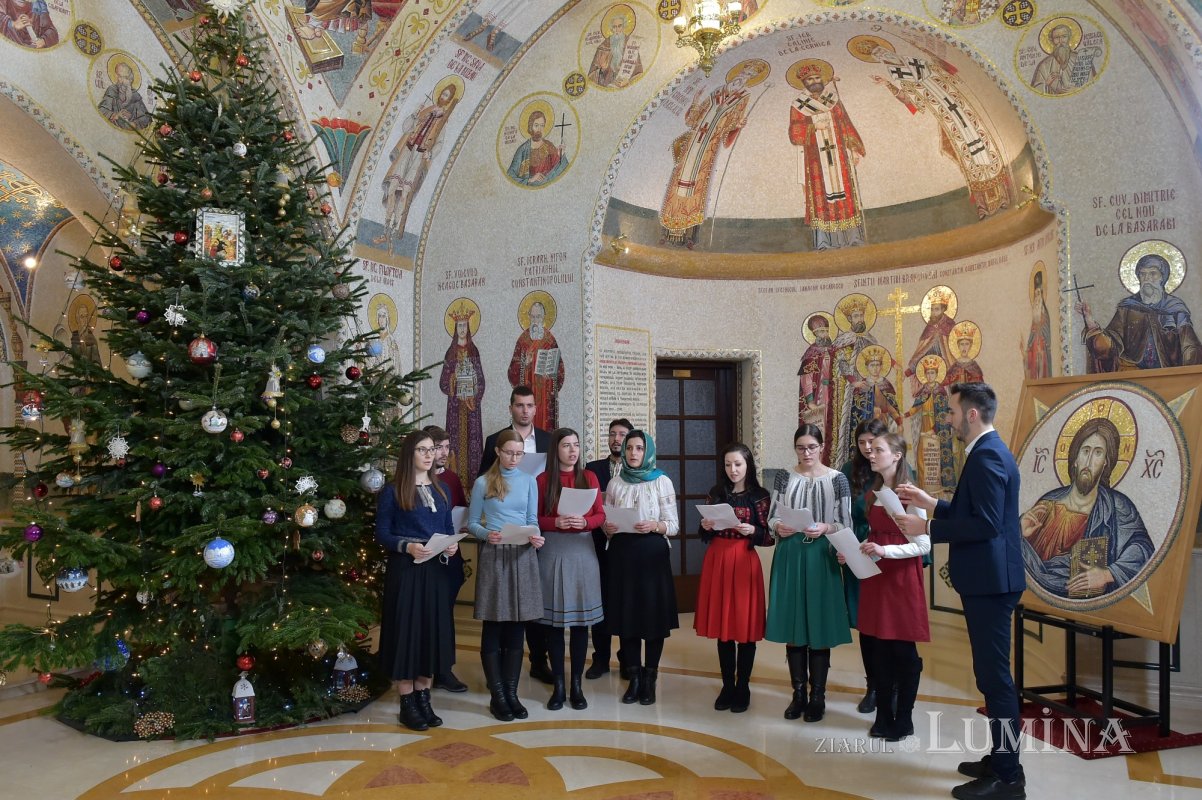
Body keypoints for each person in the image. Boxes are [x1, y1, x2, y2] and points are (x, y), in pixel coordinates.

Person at [896, 383, 1026, 800]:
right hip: (988, 580)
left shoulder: (987, 457)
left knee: (996, 680)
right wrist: (930, 503)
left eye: (951, 411)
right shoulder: (989, 452)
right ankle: (1000, 758)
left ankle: (1008, 777)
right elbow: (975, 514)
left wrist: (928, 528)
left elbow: (985, 526)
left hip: (991, 584)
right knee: (990, 677)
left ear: (971, 414)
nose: (947, 419)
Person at [374, 431, 461, 731]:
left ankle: (425, 698)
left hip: (436, 572)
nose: (429, 454)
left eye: (432, 449)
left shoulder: (442, 490)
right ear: (409, 454)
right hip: (407, 571)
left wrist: (452, 544)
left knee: (431, 633)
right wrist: (407, 546)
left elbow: (448, 527)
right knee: (407, 633)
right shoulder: (393, 490)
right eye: (422, 450)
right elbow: (382, 533)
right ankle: (407, 703)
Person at [766, 424, 852, 723]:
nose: (806, 453)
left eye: (811, 447)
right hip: (790, 553)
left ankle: (818, 696)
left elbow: (845, 521)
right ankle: (798, 693)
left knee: (819, 625)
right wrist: (779, 525)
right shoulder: (784, 476)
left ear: (821, 446)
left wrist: (826, 527)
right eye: (801, 447)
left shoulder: (837, 479)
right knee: (794, 624)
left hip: (821, 556)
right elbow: (772, 515)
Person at [1019, 418, 1153, 599]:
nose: (1089, 461)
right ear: (1075, 459)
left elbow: (1142, 547)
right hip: (1036, 598)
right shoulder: (1047, 504)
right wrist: (1018, 532)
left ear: (1106, 462)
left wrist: (1108, 574)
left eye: (1098, 453)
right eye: (1085, 451)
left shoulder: (1116, 506)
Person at [852, 432, 930, 742]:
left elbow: (923, 544)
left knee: (902, 652)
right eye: (870, 449)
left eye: (879, 449)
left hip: (900, 580)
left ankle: (905, 719)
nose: (871, 453)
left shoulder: (911, 494)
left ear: (896, 455)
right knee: (879, 651)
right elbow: (878, 535)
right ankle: (883, 715)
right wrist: (856, 548)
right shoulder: (876, 491)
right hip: (877, 578)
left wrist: (887, 552)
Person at [467, 430, 545, 721]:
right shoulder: (483, 483)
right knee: (494, 625)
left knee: (517, 626)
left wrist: (535, 537)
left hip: (522, 555)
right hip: (494, 555)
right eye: (510, 452)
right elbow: (472, 523)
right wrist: (488, 534)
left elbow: (532, 521)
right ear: (498, 452)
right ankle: (497, 695)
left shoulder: (528, 482)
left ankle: (512, 693)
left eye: (519, 454)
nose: (514, 458)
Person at [479, 386, 553, 684]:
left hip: (537, 526)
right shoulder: (493, 441)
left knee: (532, 600)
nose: (525, 410)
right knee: (502, 611)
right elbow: (485, 482)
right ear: (511, 408)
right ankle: (498, 675)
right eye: (519, 405)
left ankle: (538, 661)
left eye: (530, 405)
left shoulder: (549, 440)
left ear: (536, 409)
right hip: (502, 535)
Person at [602, 430, 680, 705]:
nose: (634, 453)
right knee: (628, 619)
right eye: (630, 448)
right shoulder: (614, 484)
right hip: (622, 556)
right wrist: (607, 527)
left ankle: (650, 678)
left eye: (639, 448)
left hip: (651, 555)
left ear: (647, 452)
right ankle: (633, 678)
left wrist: (654, 525)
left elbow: (673, 525)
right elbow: (606, 520)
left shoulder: (662, 482)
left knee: (652, 620)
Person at [695, 442, 772, 713]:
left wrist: (752, 530)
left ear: (748, 465)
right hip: (718, 558)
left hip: (744, 561)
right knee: (724, 628)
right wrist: (705, 526)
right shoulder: (717, 492)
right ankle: (728, 685)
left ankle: (743, 686)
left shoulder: (760, 495)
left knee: (744, 626)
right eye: (728, 465)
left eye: (738, 464)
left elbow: (769, 536)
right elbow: (704, 534)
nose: (733, 470)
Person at [536, 428, 606, 710]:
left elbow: (600, 514)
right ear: (556, 450)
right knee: (554, 625)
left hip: (582, 551)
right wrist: (556, 523)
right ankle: (559, 686)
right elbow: (535, 517)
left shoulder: (588, 477)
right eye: (567, 445)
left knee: (579, 624)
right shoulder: (542, 480)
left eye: (576, 445)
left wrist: (585, 523)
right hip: (553, 550)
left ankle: (576, 684)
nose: (573, 450)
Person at [659, 61, 758, 246]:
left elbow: (732, 123)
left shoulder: (742, 99)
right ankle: (667, 229)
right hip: (692, 142)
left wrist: (738, 126)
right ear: (734, 77)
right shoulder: (715, 94)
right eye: (740, 76)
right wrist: (695, 102)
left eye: (746, 79)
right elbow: (692, 120)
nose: (741, 80)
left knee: (698, 186)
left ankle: (690, 235)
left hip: (708, 148)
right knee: (677, 183)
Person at [839, 418, 890, 715]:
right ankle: (873, 686)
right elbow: (843, 512)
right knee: (867, 625)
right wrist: (844, 545)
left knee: (889, 625)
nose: (868, 448)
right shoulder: (850, 470)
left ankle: (892, 686)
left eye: (873, 442)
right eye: (862, 443)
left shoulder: (896, 468)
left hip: (888, 552)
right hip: (858, 549)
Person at [788, 60, 867, 249]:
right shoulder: (799, 105)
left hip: (839, 156)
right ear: (804, 83)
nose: (814, 81)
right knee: (821, 197)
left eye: (817, 77)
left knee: (846, 195)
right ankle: (824, 242)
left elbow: (845, 123)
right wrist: (814, 127)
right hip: (816, 161)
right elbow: (794, 132)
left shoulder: (833, 99)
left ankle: (853, 238)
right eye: (810, 79)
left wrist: (853, 149)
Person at [1078, 252, 1202, 372]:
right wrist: (1090, 321)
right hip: (1131, 372)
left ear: (1162, 278)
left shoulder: (1175, 308)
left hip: (1167, 375)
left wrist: (1188, 373)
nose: (1147, 279)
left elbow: (1190, 346)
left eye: (1153, 274)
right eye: (1143, 274)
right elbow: (1109, 349)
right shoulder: (1127, 308)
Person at [380, 81, 460, 247]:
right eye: (443, 94)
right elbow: (406, 128)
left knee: (405, 194)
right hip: (408, 150)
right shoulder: (426, 111)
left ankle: (394, 231)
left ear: (449, 99)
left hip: (419, 157)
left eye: (447, 96)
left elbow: (439, 143)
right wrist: (415, 114)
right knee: (393, 187)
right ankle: (385, 228)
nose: (443, 97)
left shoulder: (442, 121)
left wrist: (430, 153)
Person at [584, 417, 633, 678]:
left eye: (622, 434)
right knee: (599, 601)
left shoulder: (636, 471)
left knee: (624, 602)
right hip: (597, 544)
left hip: (625, 545)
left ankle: (627, 659)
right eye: (612, 433)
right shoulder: (592, 468)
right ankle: (600, 659)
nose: (616, 438)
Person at [424, 425, 469, 694]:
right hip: (423, 556)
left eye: (446, 446)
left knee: (445, 615)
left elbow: (461, 511)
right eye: (438, 447)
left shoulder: (451, 478)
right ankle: (422, 668)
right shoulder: (413, 479)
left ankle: (444, 669)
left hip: (449, 556)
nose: (443, 452)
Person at [439, 301, 485, 490]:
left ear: (469, 327)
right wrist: (454, 378)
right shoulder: (450, 352)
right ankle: (455, 488)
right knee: (455, 446)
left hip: (471, 409)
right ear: (455, 328)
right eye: (459, 326)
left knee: (472, 449)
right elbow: (443, 382)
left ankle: (473, 489)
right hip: (456, 408)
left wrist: (473, 388)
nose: (462, 329)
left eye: (465, 325)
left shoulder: (474, 351)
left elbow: (481, 380)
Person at [507, 300, 565, 430]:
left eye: (538, 317)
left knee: (545, 429)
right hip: (528, 390)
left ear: (543, 317)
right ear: (529, 317)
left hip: (545, 395)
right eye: (533, 316)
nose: (535, 320)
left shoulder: (550, 339)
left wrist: (551, 374)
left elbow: (559, 368)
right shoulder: (523, 339)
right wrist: (524, 363)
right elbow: (512, 370)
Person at [798, 315, 836, 459]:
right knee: (819, 429)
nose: (825, 334)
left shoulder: (834, 351)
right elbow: (806, 378)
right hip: (819, 395)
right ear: (814, 334)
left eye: (826, 331)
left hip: (833, 394)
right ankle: (817, 460)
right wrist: (810, 401)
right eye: (821, 332)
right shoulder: (811, 354)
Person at [507, 109, 567, 186]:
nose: (539, 129)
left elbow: (558, 170)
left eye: (542, 125)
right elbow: (510, 175)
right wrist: (530, 179)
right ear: (530, 126)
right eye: (536, 125)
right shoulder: (523, 150)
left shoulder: (549, 146)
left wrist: (560, 155)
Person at [1031, 23, 1095, 96]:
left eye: (1064, 36)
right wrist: (1047, 83)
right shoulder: (1045, 65)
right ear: (1052, 40)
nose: (1060, 41)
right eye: (1056, 38)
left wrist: (1077, 89)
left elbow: (1092, 84)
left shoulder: (1081, 59)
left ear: (1069, 38)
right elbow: (1035, 93)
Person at [98, 60, 152, 130]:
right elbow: (101, 109)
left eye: (126, 78)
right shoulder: (112, 90)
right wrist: (116, 115)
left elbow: (146, 118)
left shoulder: (135, 96)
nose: (122, 81)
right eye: (120, 76)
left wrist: (133, 121)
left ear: (130, 79)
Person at [1025, 270, 1053, 379]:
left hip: (1042, 344)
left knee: (1041, 365)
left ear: (1041, 295)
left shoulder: (1044, 313)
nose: (1037, 297)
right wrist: (1028, 345)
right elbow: (1032, 331)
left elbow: (1046, 330)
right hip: (1034, 345)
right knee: (1033, 364)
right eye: (1035, 294)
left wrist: (1042, 338)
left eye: (1038, 294)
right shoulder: (1034, 315)